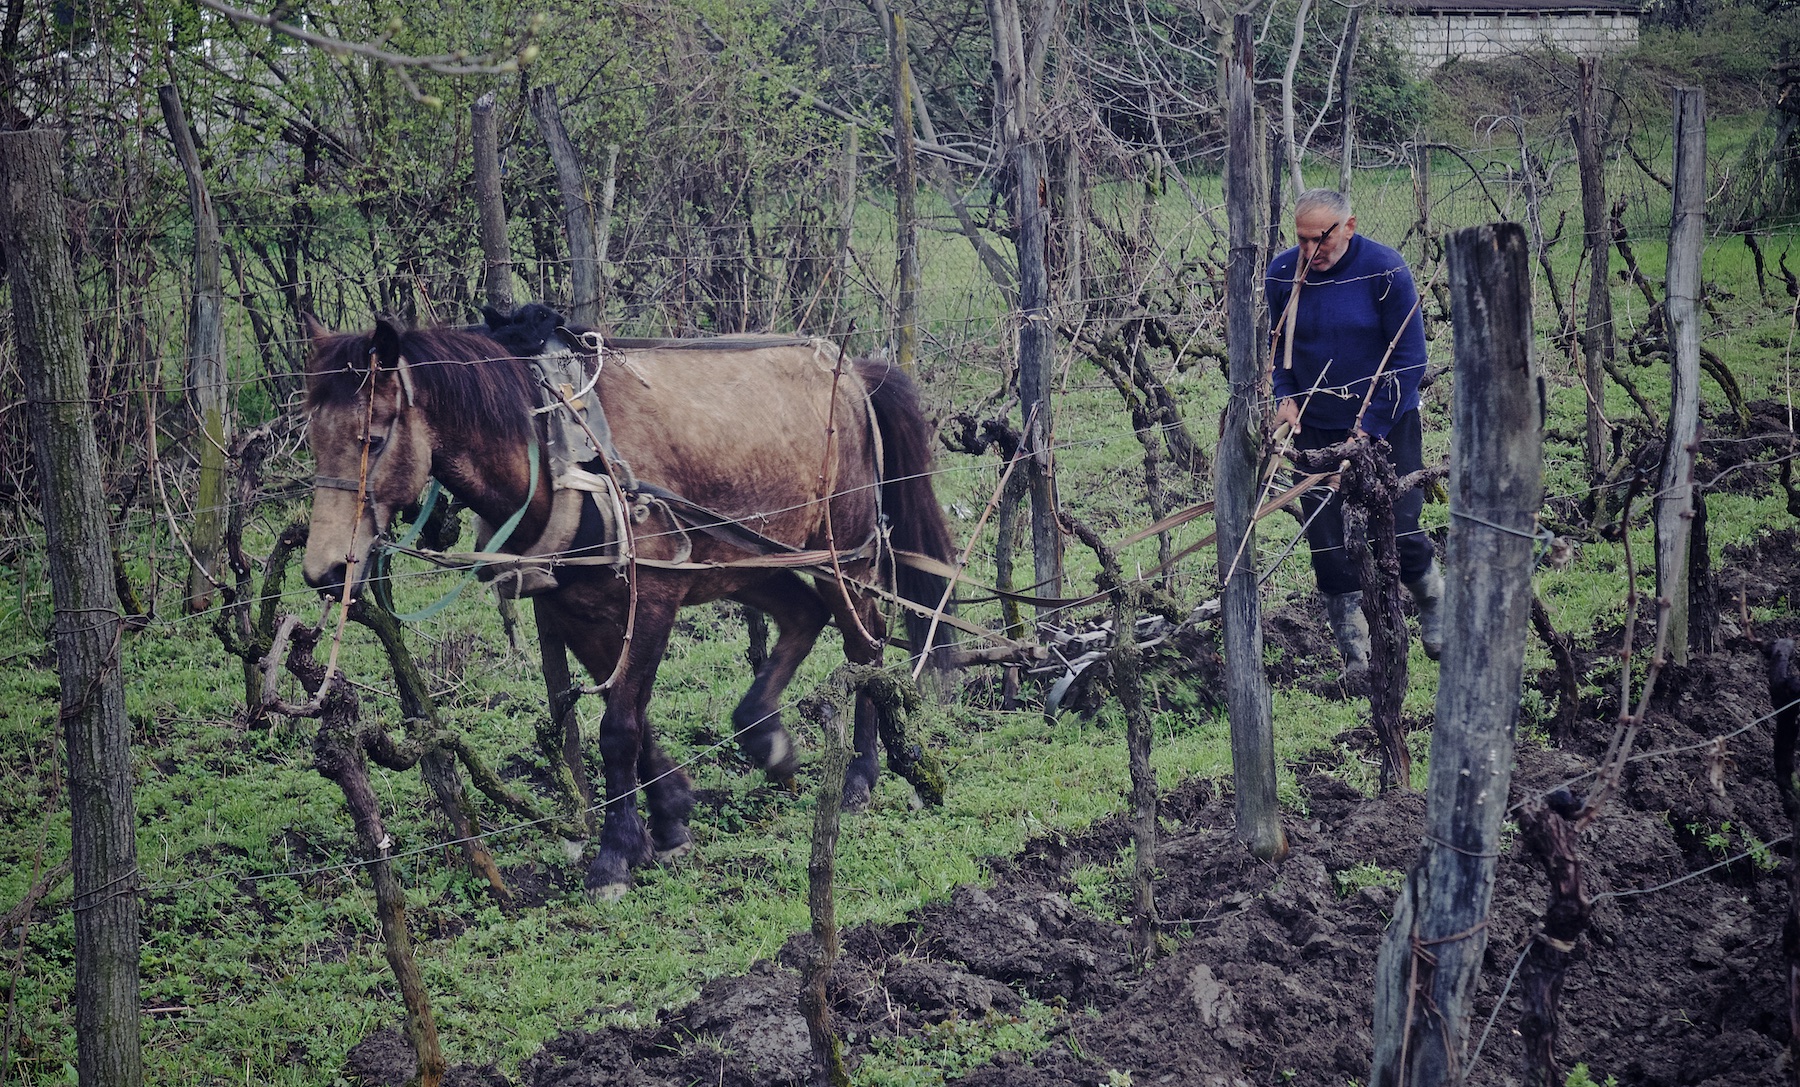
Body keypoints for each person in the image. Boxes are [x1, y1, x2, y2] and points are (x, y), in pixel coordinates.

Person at [1265, 187, 1443, 678]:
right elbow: (1279, 350)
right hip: (1315, 428)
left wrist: (1369, 428)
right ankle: (1356, 657)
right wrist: (1287, 397)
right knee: (1328, 542)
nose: (1309, 252)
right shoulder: (1282, 274)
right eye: (1301, 240)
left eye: (1319, 240)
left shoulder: (1385, 271)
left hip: (1388, 423)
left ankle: (1433, 607)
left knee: (1401, 526)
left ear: (1349, 226)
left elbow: (1410, 359)